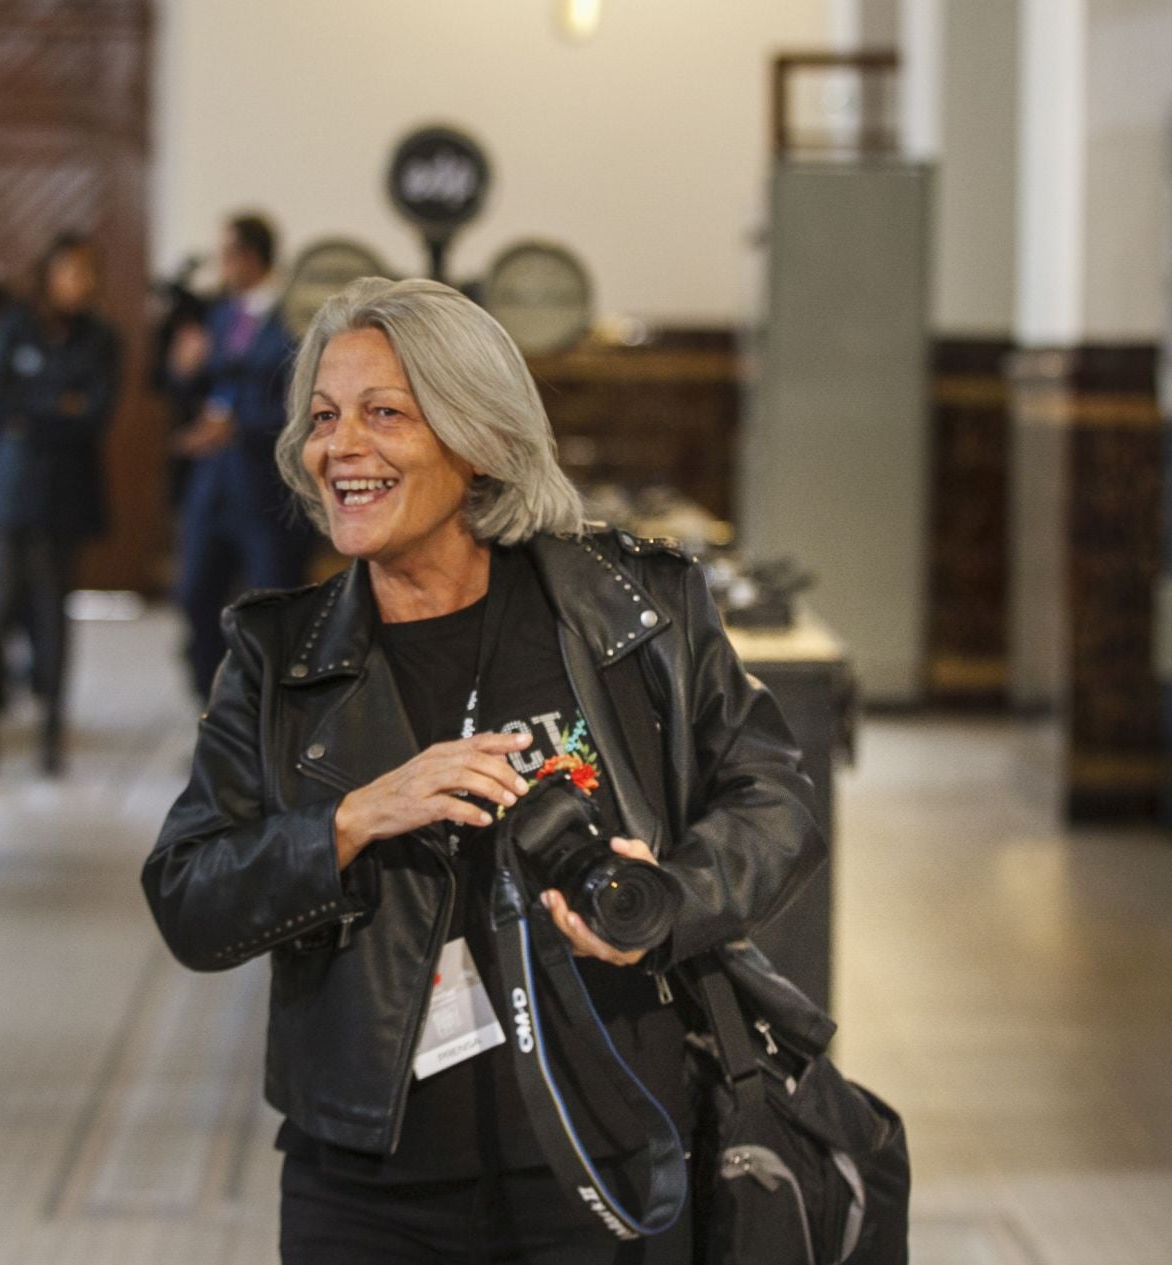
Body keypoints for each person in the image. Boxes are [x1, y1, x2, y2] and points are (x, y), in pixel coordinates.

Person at [142, 278, 824, 1263]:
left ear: (480, 439)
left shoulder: (631, 610)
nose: (342, 448)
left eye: (385, 414)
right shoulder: (280, 660)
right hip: (371, 1182)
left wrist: (667, 901)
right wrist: (351, 819)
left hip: (611, 1153)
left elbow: (774, 799)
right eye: (324, 418)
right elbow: (188, 894)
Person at [0, 232, 121, 776]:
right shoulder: (16, 325)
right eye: (70, 271)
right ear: (48, 274)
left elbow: (95, 408)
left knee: (54, 613)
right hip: (9, 490)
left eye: (87, 272)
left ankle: (52, 732)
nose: (80, 283)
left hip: (65, 493)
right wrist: (60, 402)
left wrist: (36, 408)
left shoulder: (100, 338)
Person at [171, 213, 310, 700]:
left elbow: (301, 401)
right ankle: (210, 712)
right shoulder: (221, 314)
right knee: (194, 597)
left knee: (271, 609)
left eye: (228, 254)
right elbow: (205, 384)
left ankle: (270, 716)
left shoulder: (296, 316)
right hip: (213, 487)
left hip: (265, 487)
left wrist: (237, 426)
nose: (221, 266)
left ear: (252, 257)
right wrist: (185, 368)